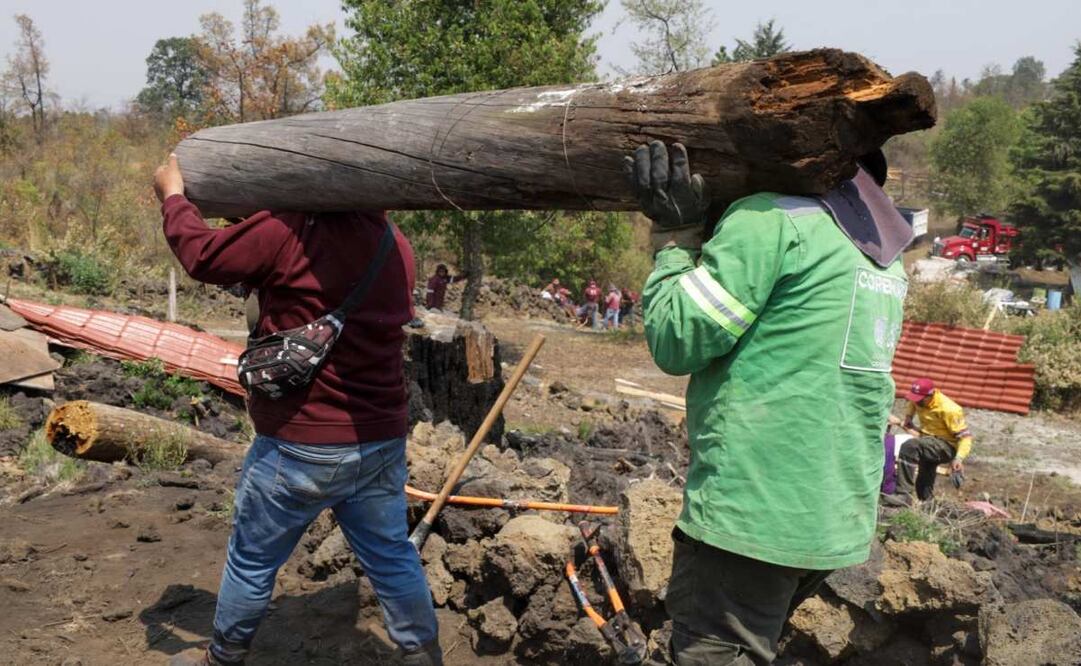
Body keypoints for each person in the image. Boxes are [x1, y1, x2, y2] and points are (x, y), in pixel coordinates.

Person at [153, 154, 441, 666]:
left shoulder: (290, 228)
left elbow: (202, 255)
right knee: (392, 555)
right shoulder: (395, 245)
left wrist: (174, 196)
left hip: (298, 444)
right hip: (379, 440)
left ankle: (222, 658)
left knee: (253, 560)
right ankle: (422, 653)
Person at [631, 141, 910, 665]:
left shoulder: (770, 221)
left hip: (752, 521)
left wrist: (675, 237)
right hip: (830, 520)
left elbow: (675, 339)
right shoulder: (880, 252)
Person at [893, 377, 972, 501]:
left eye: (920, 400)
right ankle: (927, 503)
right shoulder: (919, 400)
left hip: (947, 446)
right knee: (924, 478)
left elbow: (965, 437)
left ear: (931, 395)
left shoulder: (949, 409)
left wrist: (959, 458)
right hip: (928, 440)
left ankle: (903, 494)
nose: (917, 403)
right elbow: (912, 403)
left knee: (910, 446)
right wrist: (909, 417)